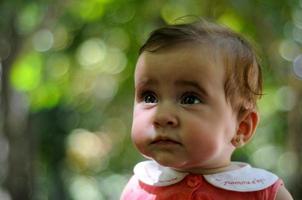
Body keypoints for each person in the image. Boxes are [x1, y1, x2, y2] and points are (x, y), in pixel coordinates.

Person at [120, 19, 293, 200]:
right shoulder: (139, 188)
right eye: (150, 97)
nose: (162, 116)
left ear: (242, 126)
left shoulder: (262, 192)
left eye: (189, 99)